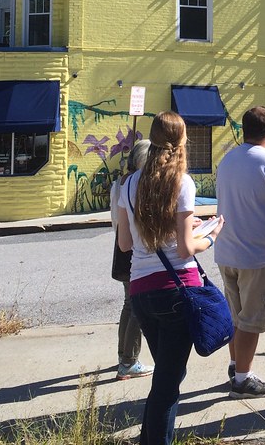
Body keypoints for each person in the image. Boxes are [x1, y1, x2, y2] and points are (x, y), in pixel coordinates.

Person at [116, 111, 226, 445]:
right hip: (177, 292)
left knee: (165, 377)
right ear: (182, 141)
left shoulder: (129, 183)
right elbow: (185, 249)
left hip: (141, 293)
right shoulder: (183, 183)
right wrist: (211, 236)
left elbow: (125, 243)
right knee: (168, 383)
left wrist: (183, 228)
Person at [214, 105, 265, 398]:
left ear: (243, 130)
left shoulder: (227, 160)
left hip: (226, 251)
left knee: (236, 316)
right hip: (258, 255)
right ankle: (243, 380)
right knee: (251, 320)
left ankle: (236, 366)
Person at [110, 138, 154, 380]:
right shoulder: (137, 184)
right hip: (133, 248)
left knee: (129, 303)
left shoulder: (121, 182)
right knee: (137, 306)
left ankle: (124, 355)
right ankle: (129, 360)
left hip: (122, 245)